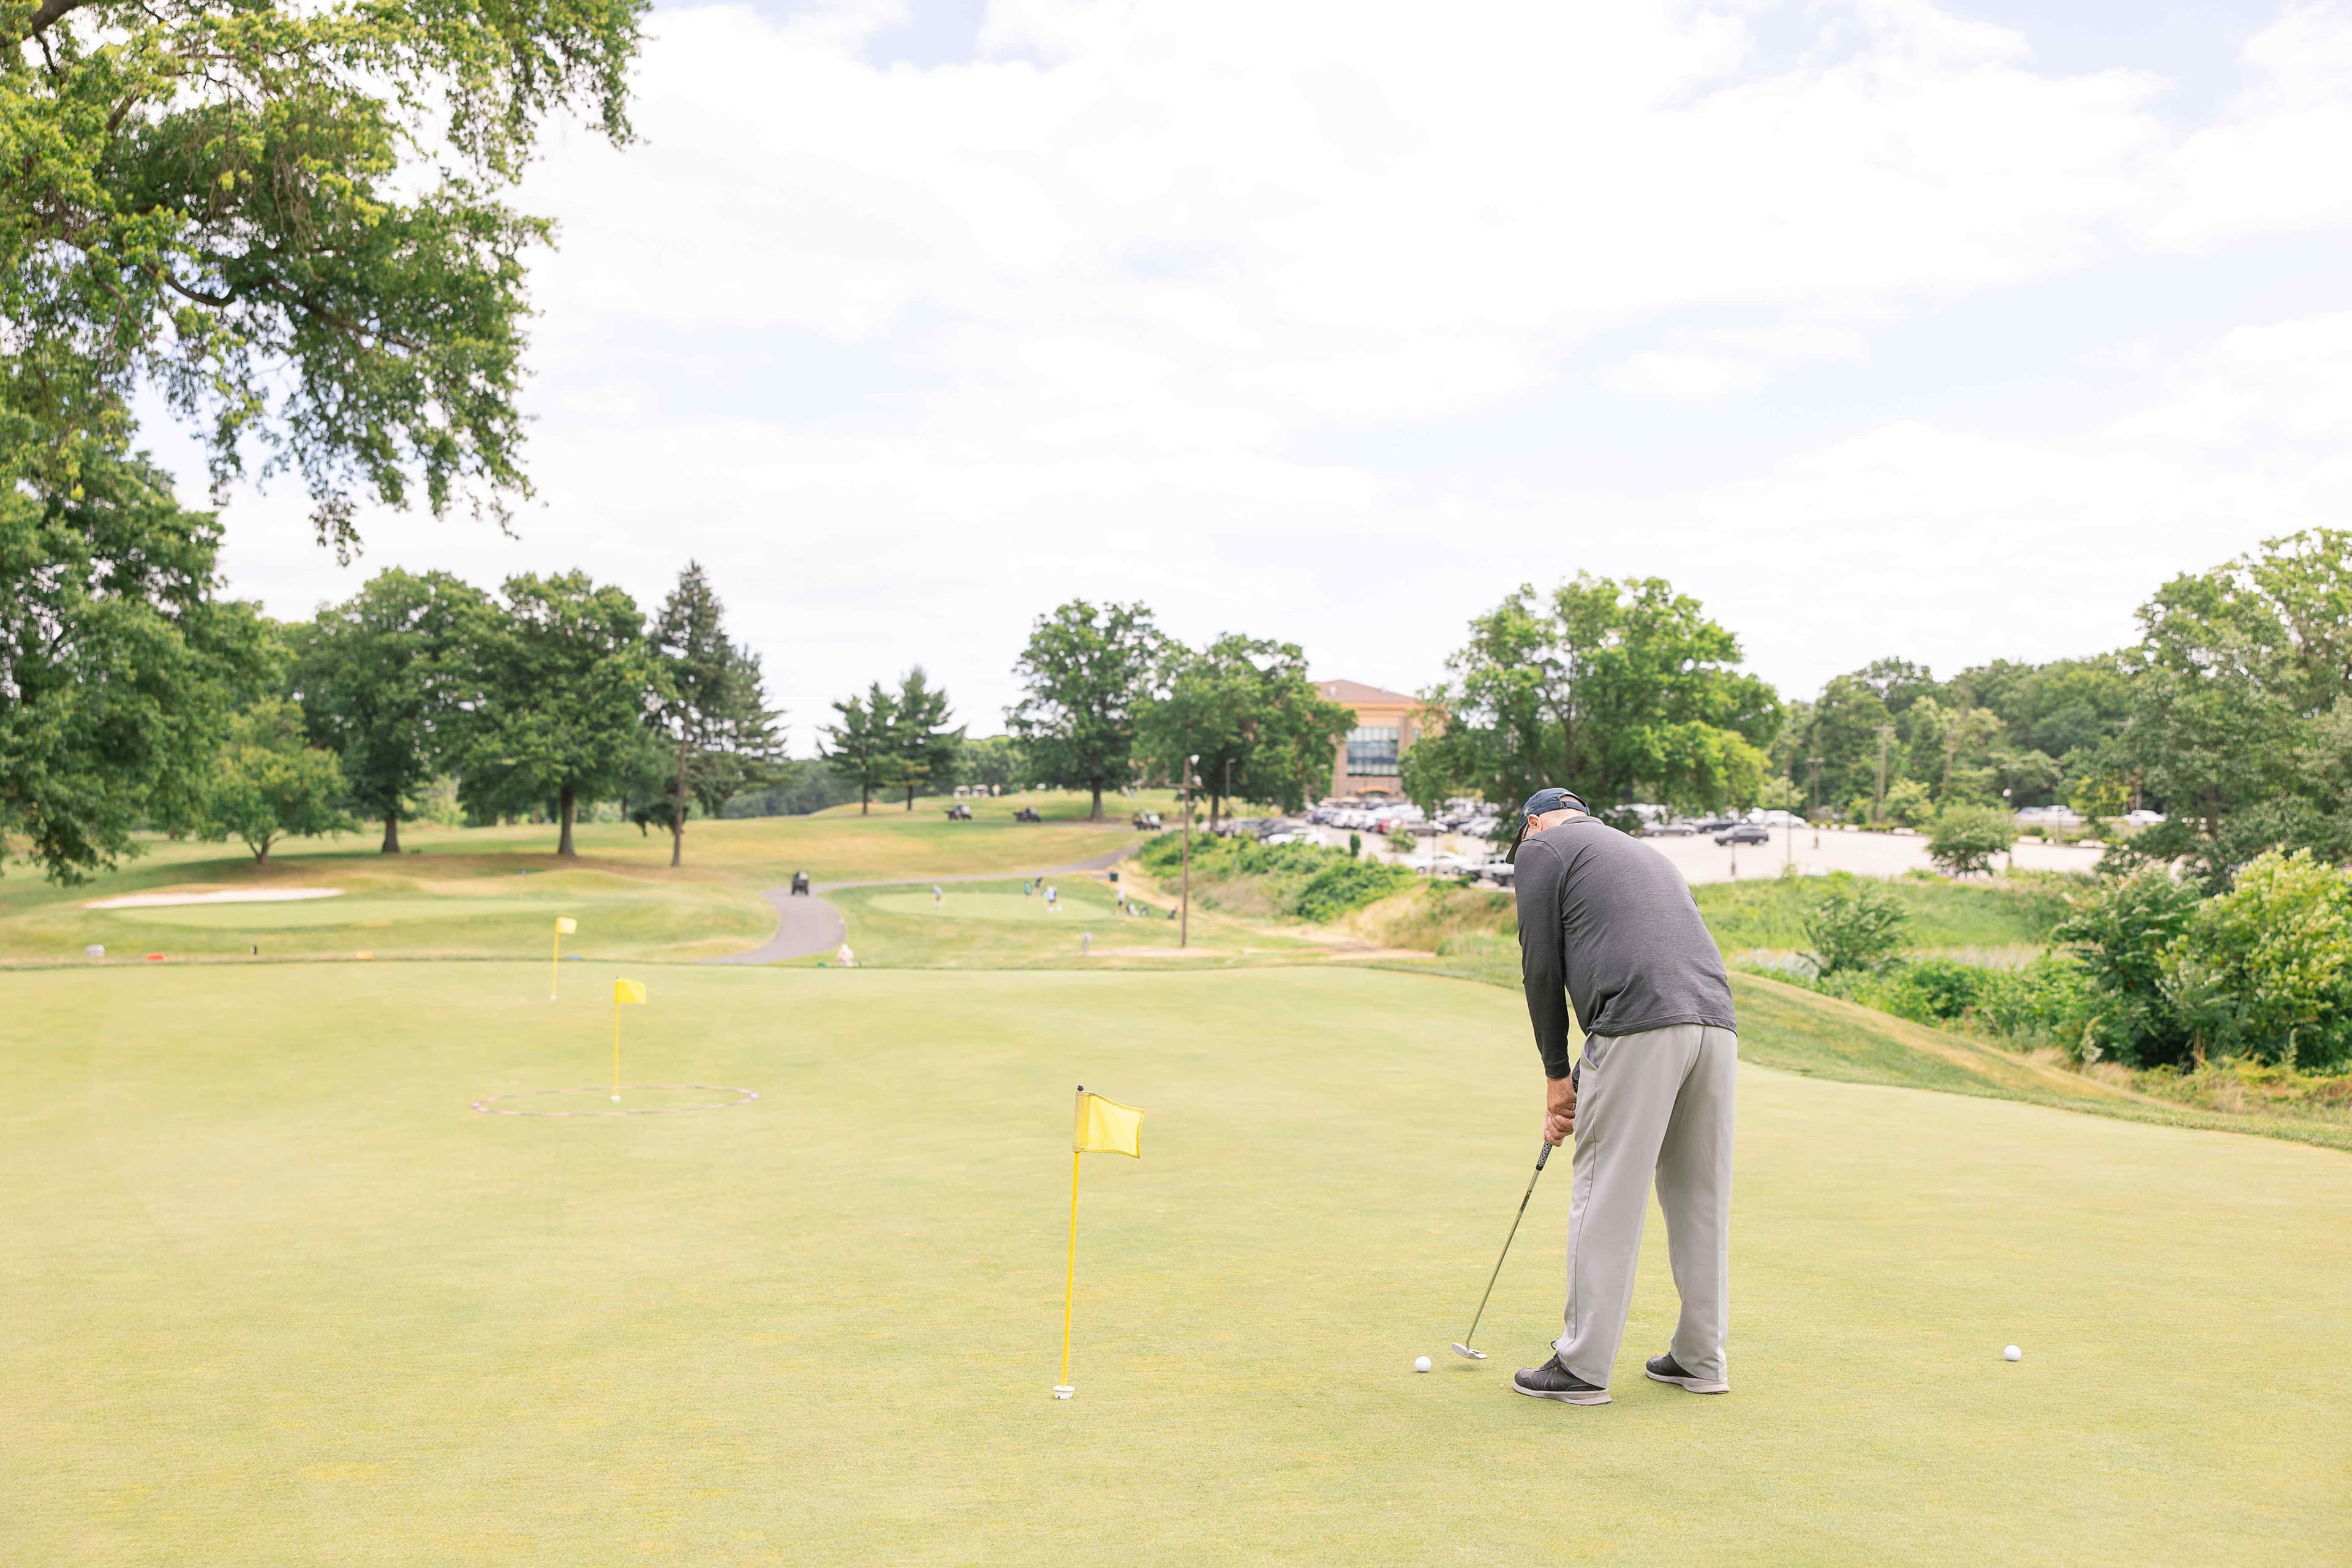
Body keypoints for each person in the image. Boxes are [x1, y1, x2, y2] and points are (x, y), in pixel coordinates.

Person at [1506, 786, 1737, 1408]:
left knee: (1605, 1188)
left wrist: (1558, 1074)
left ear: (1532, 823)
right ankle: (1699, 1358)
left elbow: (1541, 969)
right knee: (1699, 1195)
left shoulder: (1541, 848)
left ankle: (1580, 1367)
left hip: (1638, 1020)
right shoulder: (1642, 853)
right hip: (1715, 1023)